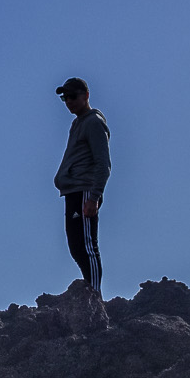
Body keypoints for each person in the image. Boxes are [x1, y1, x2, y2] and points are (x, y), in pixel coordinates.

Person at [53, 77, 110, 312]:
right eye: (64, 98)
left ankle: (95, 298)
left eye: (73, 96)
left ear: (86, 95)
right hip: (72, 191)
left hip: (85, 190)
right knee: (76, 246)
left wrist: (94, 197)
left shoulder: (93, 122)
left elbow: (103, 163)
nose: (69, 102)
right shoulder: (78, 123)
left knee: (87, 246)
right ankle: (89, 294)